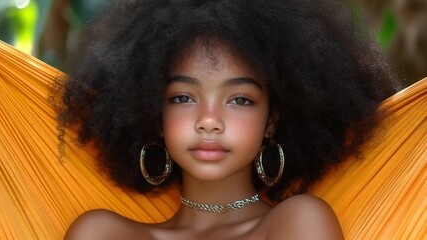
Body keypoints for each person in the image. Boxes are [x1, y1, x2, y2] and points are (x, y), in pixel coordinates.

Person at [56, 0, 399, 239]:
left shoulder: (299, 223)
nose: (208, 121)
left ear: (271, 120)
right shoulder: (100, 234)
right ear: (154, 113)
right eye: (183, 98)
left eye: (239, 99)